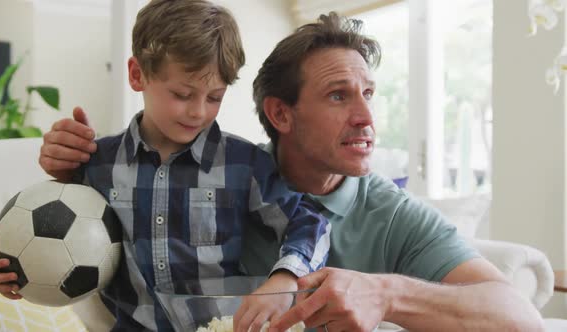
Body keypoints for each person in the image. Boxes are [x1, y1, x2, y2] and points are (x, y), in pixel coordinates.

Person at [28, 12, 541, 332]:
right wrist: (66, 166)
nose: (367, 118)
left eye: (369, 94)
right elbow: (95, 229)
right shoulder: (228, 175)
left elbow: (520, 319)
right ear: (280, 114)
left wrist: (386, 294)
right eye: (339, 96)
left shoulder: (390, 214)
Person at [0, 1, 331, 331]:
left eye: (215, 97)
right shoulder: (95, 164)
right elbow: (41, 237)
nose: (198, 112)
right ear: (137, 74)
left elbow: (309, 221)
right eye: (181, 94)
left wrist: (286, 278)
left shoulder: (244, 164)